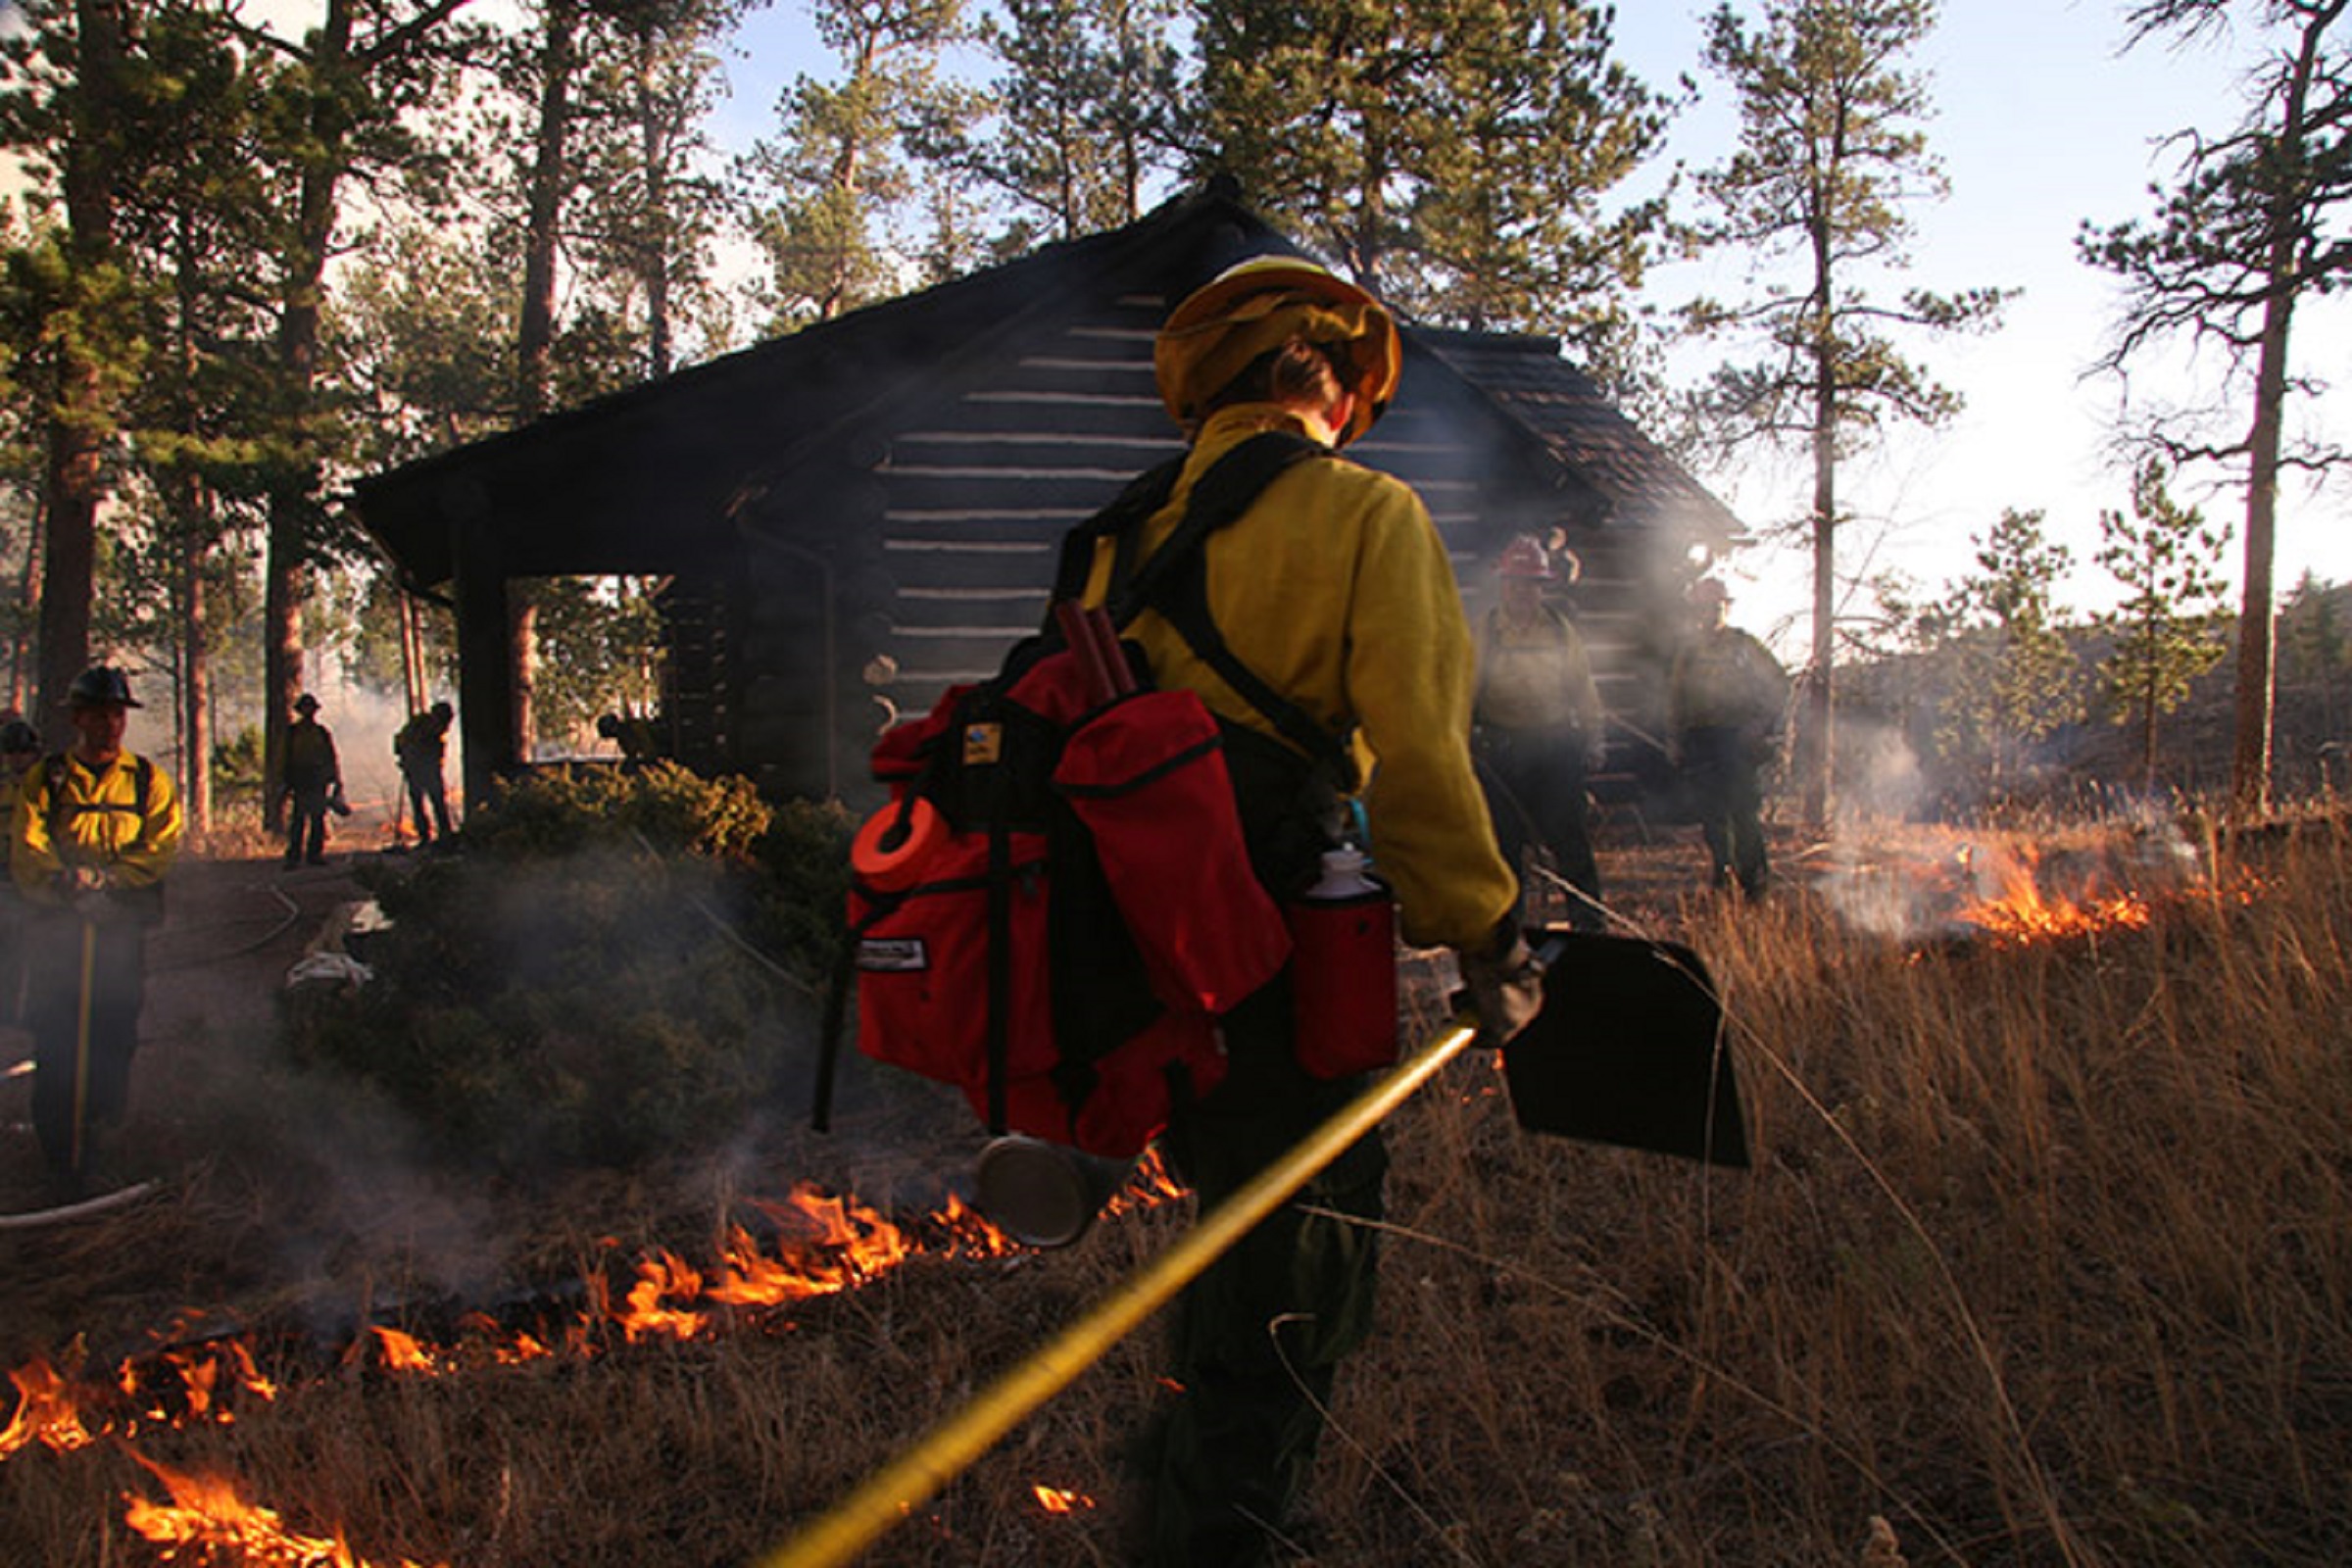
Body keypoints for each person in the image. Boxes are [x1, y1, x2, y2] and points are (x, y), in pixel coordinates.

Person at [1079, 255, 1543, 1567]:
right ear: (1313, 379)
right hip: (1271, 948)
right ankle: (1220, 1537)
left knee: (1225, 1214)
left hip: (1124, 953)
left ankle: (1169, 1500)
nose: (1353, 420)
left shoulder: (1120, 532)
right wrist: (1490, 939)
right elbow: (1421, 761)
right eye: (1352, 393)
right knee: (1302, 1255)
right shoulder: (1361, 514)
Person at [11, 665, 183, 1192]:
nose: (110, 724)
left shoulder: (148, 781)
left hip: (118, 931)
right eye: (99, 714)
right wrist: (67, 888)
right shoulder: (48, 779)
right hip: (59, 935)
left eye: (116, 714)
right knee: (59, 1037)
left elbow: (160, 847)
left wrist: (110, 883)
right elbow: (28, 847)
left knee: (114, 1035)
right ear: (78, 718)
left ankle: (104, 1139)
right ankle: (61, 1159)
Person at [1472, 535, 1610, 930]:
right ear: (1503, 585)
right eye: (1514, 582)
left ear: (1541, 587)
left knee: (1570, 841)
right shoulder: (1484, 632)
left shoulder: (1559, 631)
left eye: (1530, 583)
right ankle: (1509, 936)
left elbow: (1584, 690)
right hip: (1501, 751)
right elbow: (1462, 689)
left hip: (1554, 748)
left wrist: (1594, 737)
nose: (1521, 592)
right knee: (1504, 846)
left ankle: (1589, 927)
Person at [1667, 578, 1790, 898]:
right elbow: (1677, 699)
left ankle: (1755, 885)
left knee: (1744, 813)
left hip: (1738, 739)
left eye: (1715, 606)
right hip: (1702, 739)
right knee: (1712, 815)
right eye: (1703, 607)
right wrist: (1675, 741)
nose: (1709, 613)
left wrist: (1762, 725)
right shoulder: (1689, 652)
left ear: (1726, 607)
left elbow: (1778, 684)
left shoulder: (1744, 646)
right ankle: (1723, 876)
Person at [0, 718, 42, 1023]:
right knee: (8, 950)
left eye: (23, 752)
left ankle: (35, 1012)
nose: (17, 758)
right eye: (11, 752)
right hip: (4, 877)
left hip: (39, 879)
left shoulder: (45, 787)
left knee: (39, 949)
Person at [281, 694, 344, 868]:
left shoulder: (322, 733)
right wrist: (286, 781)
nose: (308, 712)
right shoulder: (293, 733)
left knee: (317, 818)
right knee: (299, 819)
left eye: (311, 708)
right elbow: (286, 757)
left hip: (318, 779)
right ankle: (294, 856)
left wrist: (336, 779)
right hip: (300, 779)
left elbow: (331, 757)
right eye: (305, 708)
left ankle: (314, 854)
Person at [394, 700, 455, 847]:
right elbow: (400, 742)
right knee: (433, 802)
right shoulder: (424, 726)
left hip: (421, 769)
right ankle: (434, 835)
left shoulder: (422, 724)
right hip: (421, 769)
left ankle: (436, 835)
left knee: (428, 802)